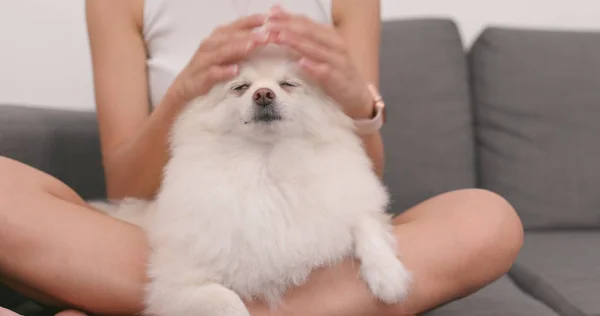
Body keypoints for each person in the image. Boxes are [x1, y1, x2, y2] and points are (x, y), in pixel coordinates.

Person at [0, 0, 524, 315]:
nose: (265, 94)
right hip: (179, 238)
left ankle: (190, 306)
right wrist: (185, 90)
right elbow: (126, 184)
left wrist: (358, 101)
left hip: (320, 240)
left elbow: (366, 178)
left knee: (488, 218)